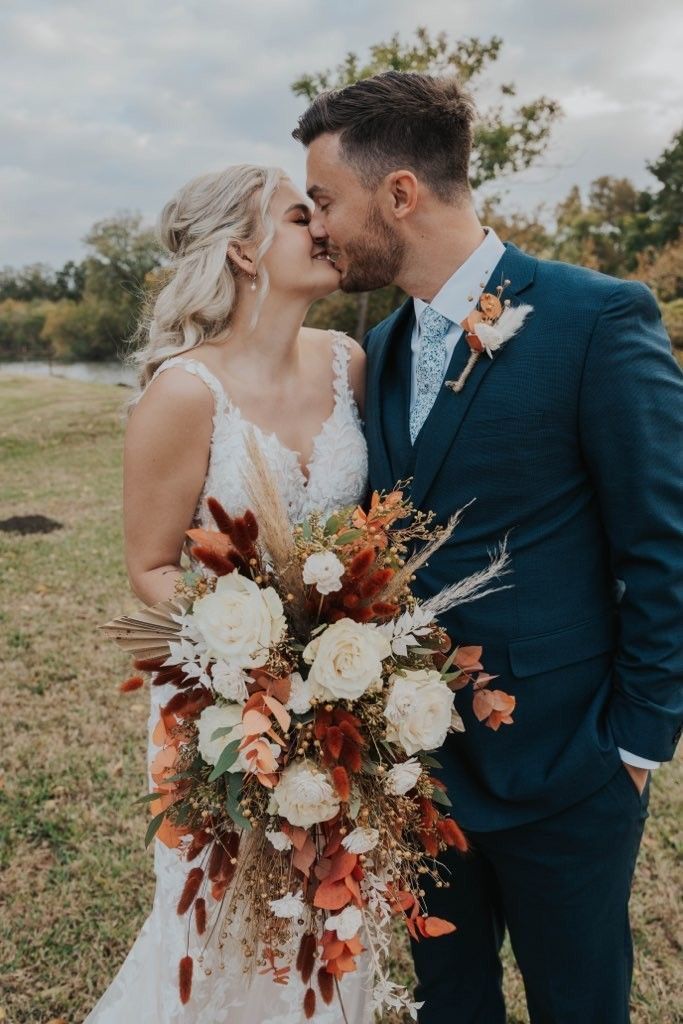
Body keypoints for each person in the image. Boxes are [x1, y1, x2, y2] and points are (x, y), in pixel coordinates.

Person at [293, 71, 683, 1024]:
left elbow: (666, 546)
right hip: (421, 773)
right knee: (449, 1003)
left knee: (578, 1004)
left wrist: (633, 744)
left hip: (570, 768)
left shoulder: (594, 318)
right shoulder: (376, 348)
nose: (317, 227)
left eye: (325, 200)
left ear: (398, 194)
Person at [85, 165, 372, 1023]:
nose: (323, 226)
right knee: (221, 919)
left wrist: (349, 664)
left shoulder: (347, 363)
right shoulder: (183, 392)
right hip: (218, 701)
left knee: (329, 905)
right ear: (243, 253)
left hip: (345, 695)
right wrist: (259, 655)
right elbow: (149, 568)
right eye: (299, 214)